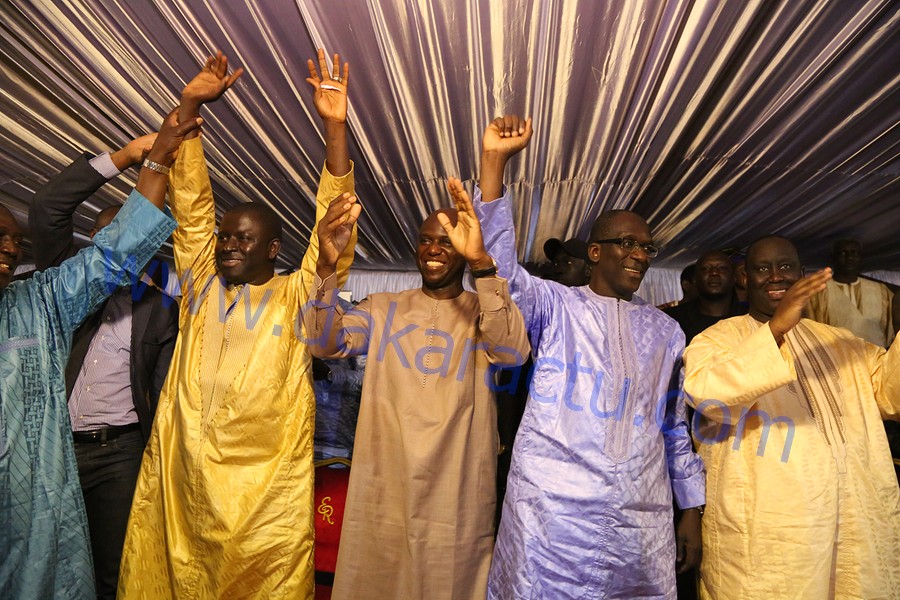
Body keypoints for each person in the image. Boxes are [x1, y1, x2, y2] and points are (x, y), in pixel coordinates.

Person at [117, 50, 359, 599]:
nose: (227, 245)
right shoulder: (200, 284)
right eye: (225, 237)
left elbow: (335, 236)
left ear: (273, 249)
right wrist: (188, 105)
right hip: (182, 483)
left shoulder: (296, 291)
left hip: (260, 498)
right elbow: (193, 202)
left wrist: (336, 128)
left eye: (242, 238)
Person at [474, 115, 705, 599]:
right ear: (596, 252)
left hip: (638, 517)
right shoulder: (556, 305)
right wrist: (494, 164)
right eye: (627, 243)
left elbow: (673, 425)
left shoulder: (666, 331)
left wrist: (690, 508)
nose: (640, 254)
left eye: (647, 247)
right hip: (552, 513)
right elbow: (503, 275)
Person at [0, 110, 200, 600]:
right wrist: (127, 155)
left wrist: (156, 158)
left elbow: (118, 254)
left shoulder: (40, 304)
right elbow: (49, 209)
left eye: (13, 241)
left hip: (78, 472)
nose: (8, 247)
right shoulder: (52, 286)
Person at [302, 177, 529, 599]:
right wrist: (326, 270)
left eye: (447, 241)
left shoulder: (485, 309)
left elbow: (513, 353)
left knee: (451, 580)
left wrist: (482, 261)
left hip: (456, 487)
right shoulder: (385, 308)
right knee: (378, 577)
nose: (434, 249)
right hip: (384, 482)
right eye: (426, 240)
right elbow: (323, 342)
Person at [683, 235, 900, 599]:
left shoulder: (839, 341)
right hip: (771, 534)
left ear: (801, 274)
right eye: (762, 268)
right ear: (744, 279)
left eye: (785, 267)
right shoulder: (717, 339)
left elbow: (891, 393)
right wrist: (777, 330)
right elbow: (709, 395)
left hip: (852, 518)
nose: (775, 276)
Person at [808, 237, 895, 347]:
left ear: (861, 257)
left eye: (854, 253)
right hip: (837, 358)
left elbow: (892, 329)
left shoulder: (881, 290)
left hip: (878, 359)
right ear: (833, 257)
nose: (849, 258)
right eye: (843, 253)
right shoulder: (819, 291)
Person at [665, 250, 747, 345]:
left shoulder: (749, 318)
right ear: (696, 279)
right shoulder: (671, 320)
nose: (714, 273)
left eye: (722, 268)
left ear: (734, 278)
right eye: (705, 268)